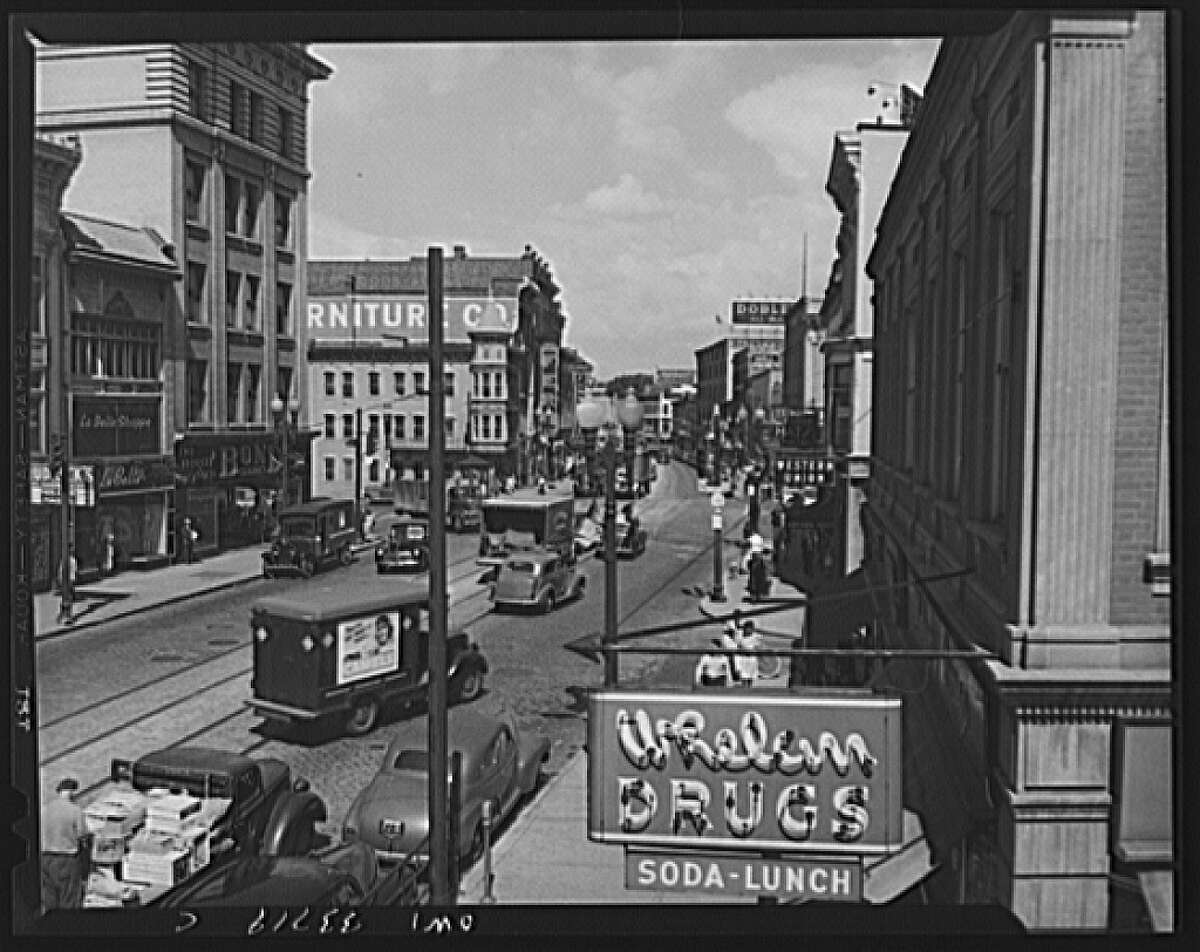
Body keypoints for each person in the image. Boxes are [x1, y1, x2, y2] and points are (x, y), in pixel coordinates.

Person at [41, 777, 88, 910]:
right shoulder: (75, 810)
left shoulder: (45, 809)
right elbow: (82, 834)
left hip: (45, 859)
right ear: (72, 792)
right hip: (66, 860)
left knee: (50, 899)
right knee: (69, 899)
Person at [734, 618, 762, 684]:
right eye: (747, 628)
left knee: (750, 679)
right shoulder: (740, 636)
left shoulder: (756, 637)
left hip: (752, 660)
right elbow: (738, 647)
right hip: (743, 659)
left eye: (750, 628)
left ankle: (749, 692)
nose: (748, 630)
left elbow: (758, 648)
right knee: (743, 678)